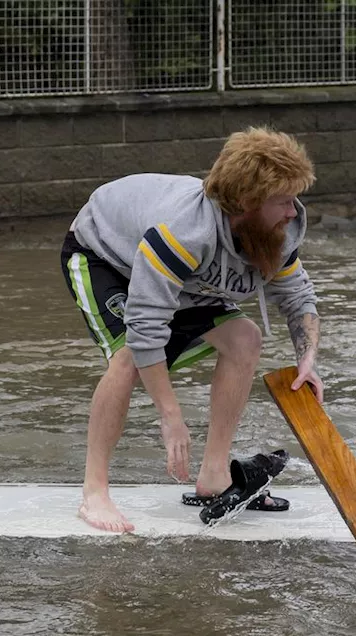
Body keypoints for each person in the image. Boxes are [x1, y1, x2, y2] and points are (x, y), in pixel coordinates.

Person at [59, 126, 323, 533]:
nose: (294, 211)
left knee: (245, 339)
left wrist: (307, 360)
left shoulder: (274, 229)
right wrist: (171, 415)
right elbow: (147, 328)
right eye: (283, 201)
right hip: (105, 255)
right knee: (129, 357)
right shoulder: (183, 232)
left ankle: (214, 477)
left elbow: (298, 296)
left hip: (184, 275)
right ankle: (94, 492)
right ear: (248, 204)